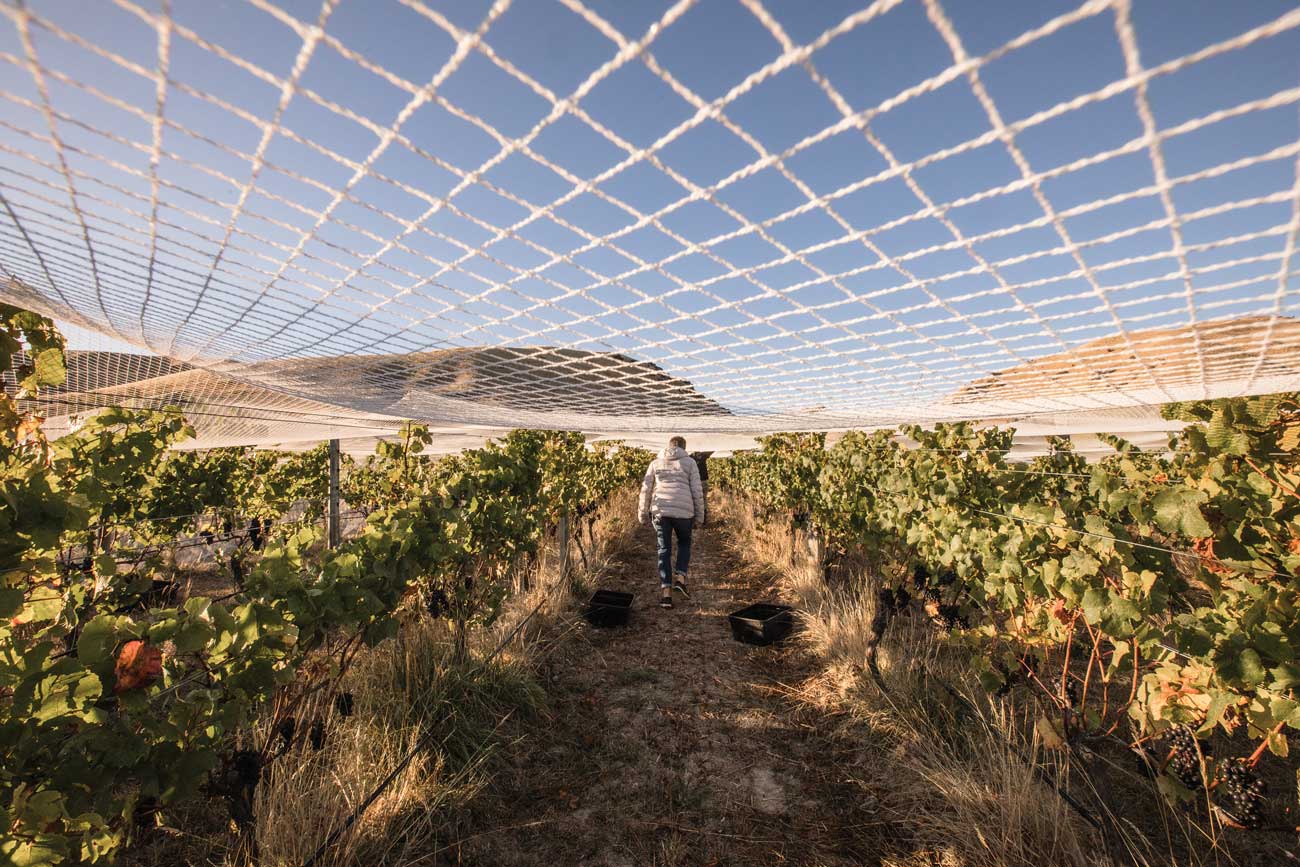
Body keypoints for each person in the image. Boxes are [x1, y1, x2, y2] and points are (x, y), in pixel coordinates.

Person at [638, 436, 705, 609]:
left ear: (668, 447)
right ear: (684, 447)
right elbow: (697, 490)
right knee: (684, 543)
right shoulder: (690, 463)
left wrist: (643, 513)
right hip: (684, 513)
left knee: (664, 550)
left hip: (661, 511)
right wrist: (699, 517)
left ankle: (666, 595)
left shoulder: (655, 463)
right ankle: (680, 579)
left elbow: (646, 489)